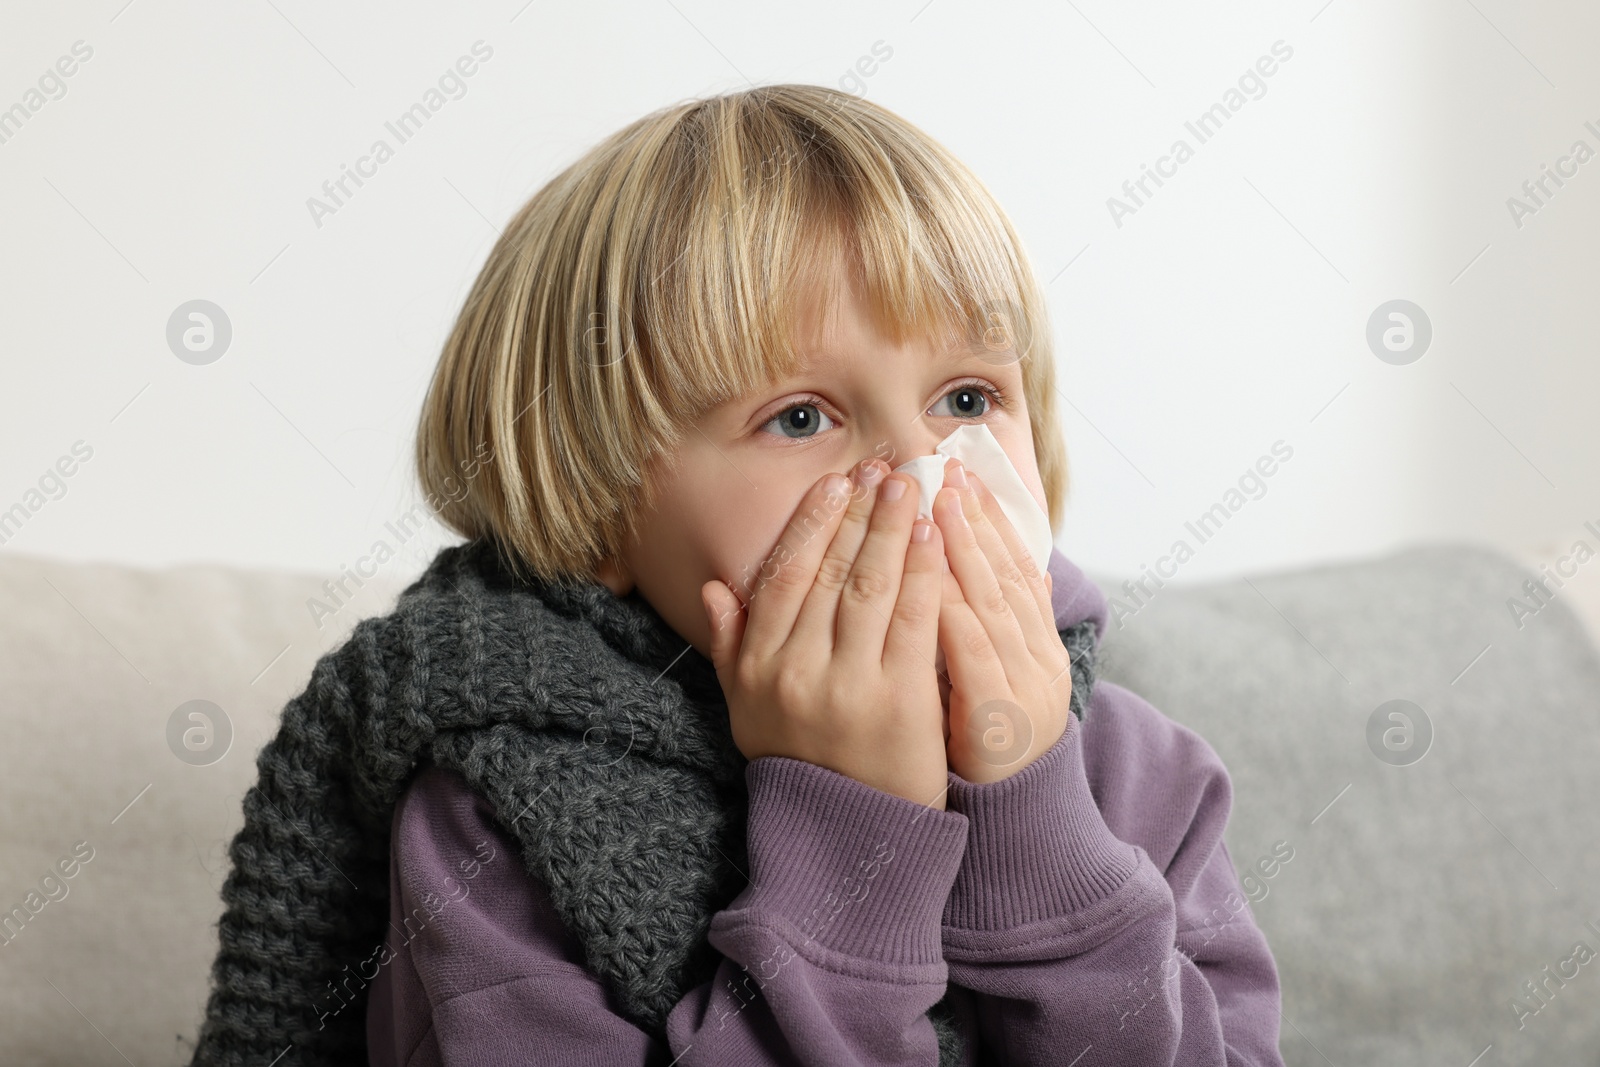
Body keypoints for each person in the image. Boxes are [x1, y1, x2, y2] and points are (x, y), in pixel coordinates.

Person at [190, 83, 1285, 1067]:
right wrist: (851, 839)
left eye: (966, 398)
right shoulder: (501, 811)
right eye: (800, 416)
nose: (916, 473)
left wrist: (1037, 820)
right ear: (593, 508)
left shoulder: (1141, 775)